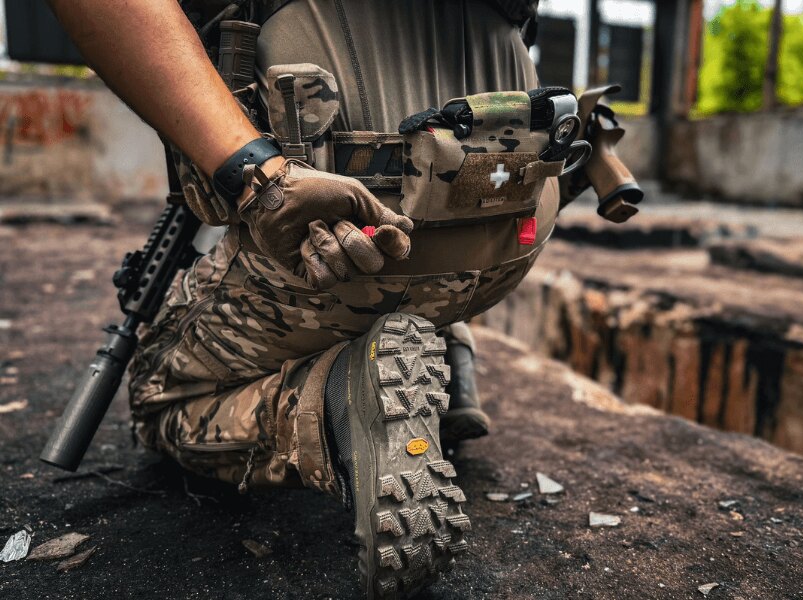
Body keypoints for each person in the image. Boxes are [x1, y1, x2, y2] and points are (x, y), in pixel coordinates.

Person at [48, 1, 637, 597]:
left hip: (334, 227)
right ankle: (448, 359)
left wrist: (255, 176)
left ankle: (339, 406)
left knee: (160, 395)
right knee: (424, 282)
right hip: (511, 228)